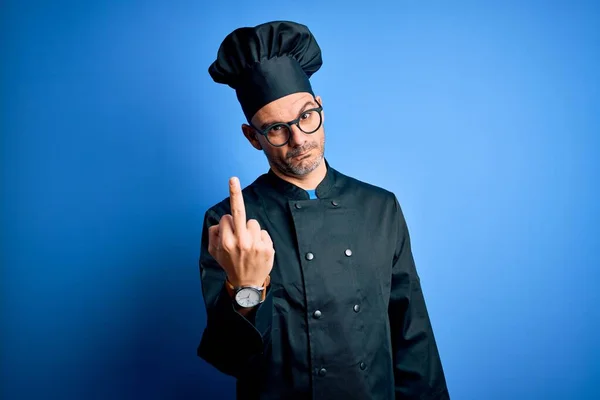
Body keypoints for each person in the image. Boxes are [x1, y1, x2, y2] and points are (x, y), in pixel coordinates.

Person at [197, 20, 449, 400]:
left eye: (305, 116)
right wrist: (246, 287)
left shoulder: (380, 207)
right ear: (253, 137)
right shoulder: (231, 225)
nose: (299, 138)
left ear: (321, 110)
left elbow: (413, 339)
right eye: (277, 129)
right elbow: (229, 359)